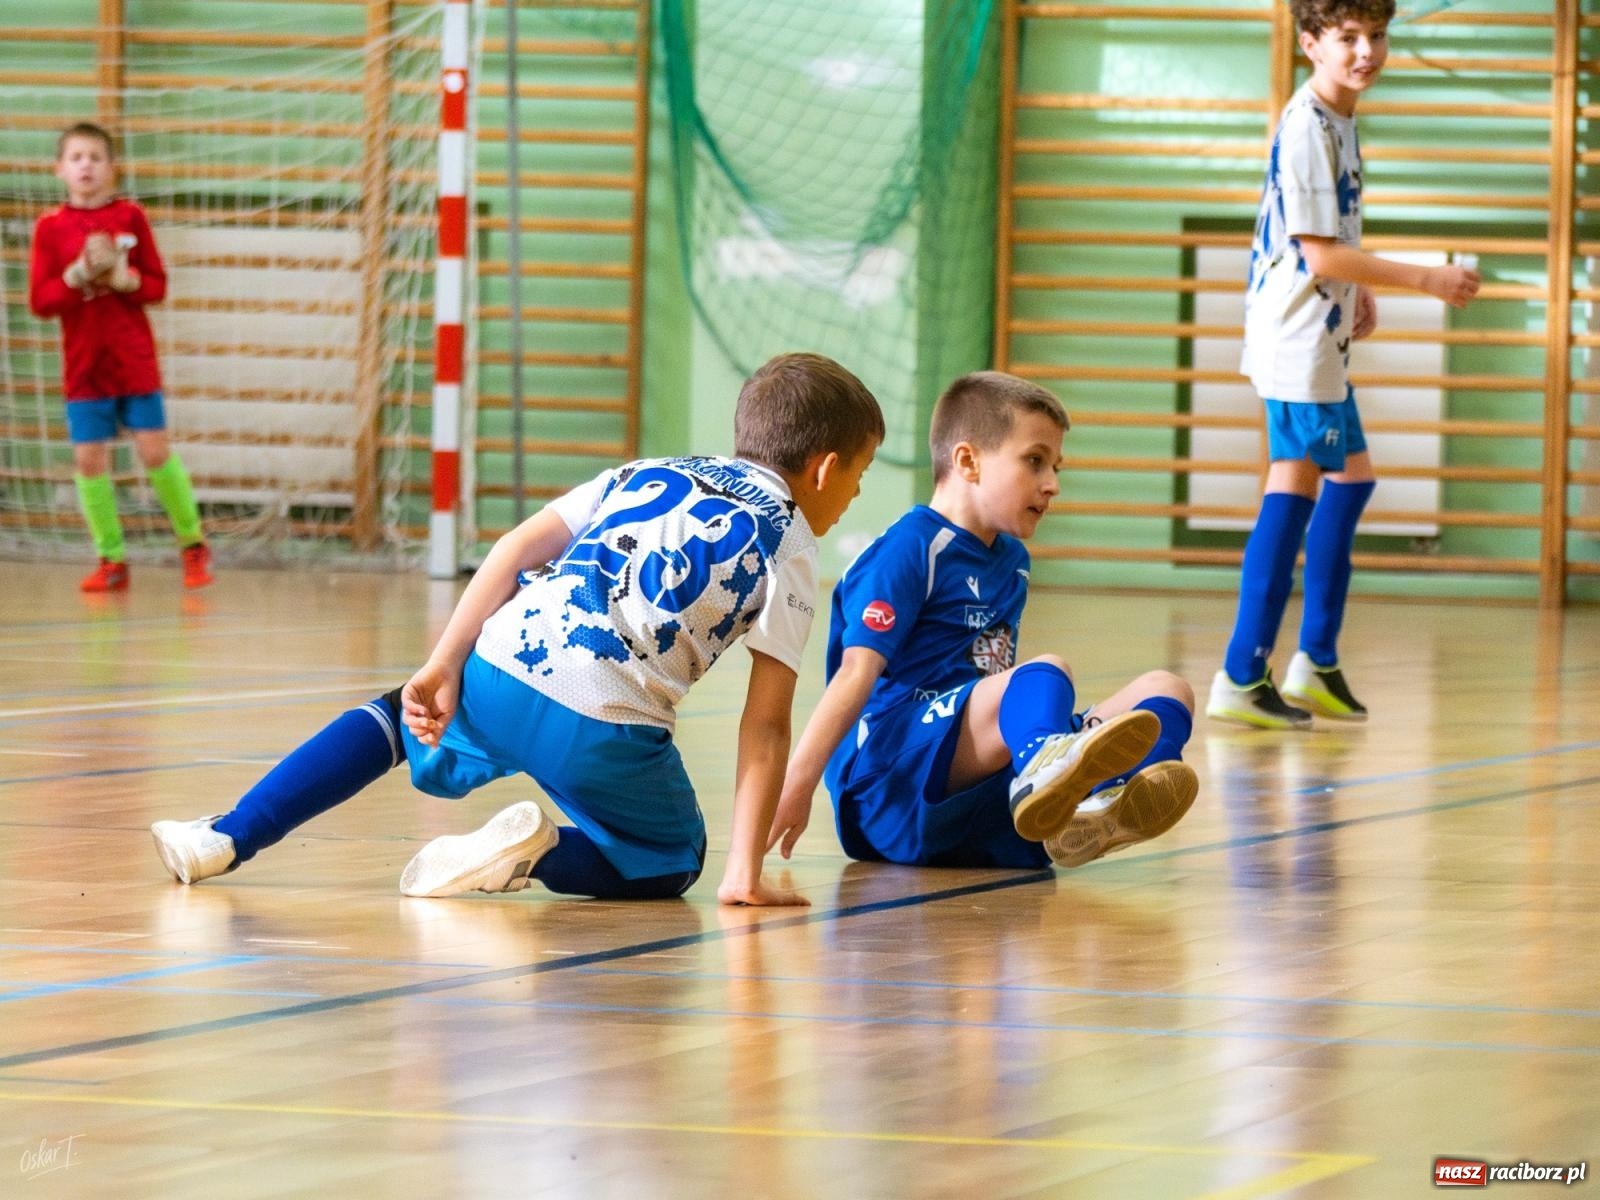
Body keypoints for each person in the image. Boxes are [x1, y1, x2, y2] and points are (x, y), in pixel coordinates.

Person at [152, 352, 883, 907]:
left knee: (397, 716)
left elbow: (512, 551)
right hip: (605, 725)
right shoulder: (791, 543)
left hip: (502, 660)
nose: (854, 496)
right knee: (667, 859)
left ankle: (228, 834)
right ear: (822, 470)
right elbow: (765, 726)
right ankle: (529, 854)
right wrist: (741, 875)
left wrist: (442, 662)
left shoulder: (650, 469)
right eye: (859, 478)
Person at [766, 371, 1198, 873]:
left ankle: (1095, 805)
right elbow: (855, 674)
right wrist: (795, 784)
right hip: (890, 787)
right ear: (968, 461)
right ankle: (1048, 766)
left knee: (1167, 688)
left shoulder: (1012, 560)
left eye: (1055, 466)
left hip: (975, 790)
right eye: (1035, 461)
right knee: (1046, 671)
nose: (1053, 484)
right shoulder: (911, 548)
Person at [1206, 0, 1478, 729]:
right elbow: (1317, 252)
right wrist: (1428, 278)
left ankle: (1311, 663)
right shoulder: (1306, 124)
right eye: (1348, 37)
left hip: (1316, 327)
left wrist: (1353, 295)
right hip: (1295, 338)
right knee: (1297, 484)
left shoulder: (1341, 119)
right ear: (1310, 44)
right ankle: (1243, 672)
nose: (1366, 51)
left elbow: (1324, 246)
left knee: (1350, 481)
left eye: (1377, 35)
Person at [28, 122, 213, 593]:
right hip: (84, 368)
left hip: (134, 362)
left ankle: (192, 544)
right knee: (89, 460)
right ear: (59, 169)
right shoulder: (49, 229)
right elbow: (41, 301)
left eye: (95, 156)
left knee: (154, 452)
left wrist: (125, 281)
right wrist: (77, 274)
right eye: (76, 157)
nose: (86, 165)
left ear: (112, 168)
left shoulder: (130, 217)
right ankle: (111, 558)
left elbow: (158, 285)